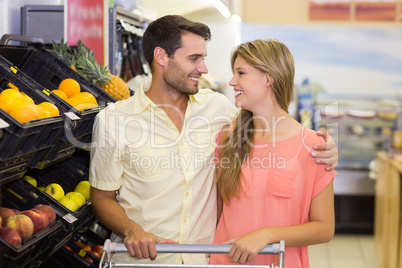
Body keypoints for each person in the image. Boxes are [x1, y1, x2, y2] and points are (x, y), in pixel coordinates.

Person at [89, 15, 338, 265]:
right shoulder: (114, 121)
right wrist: (132, 230)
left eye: (204, 58)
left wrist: (324, 146)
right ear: (162, 57)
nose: (204, 68)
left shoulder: (218, 109)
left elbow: (267, 124)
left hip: (205, 259)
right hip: (144, 261)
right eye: (194, 58)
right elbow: (101, 197)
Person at [209, 38, 337, 268]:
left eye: (241, 73)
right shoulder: (226, 139)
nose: (232, 81)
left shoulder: (313, 145)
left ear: (269, 77)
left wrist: (267, 235)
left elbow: (324, 228)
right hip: (225, 262)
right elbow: (218, 213)